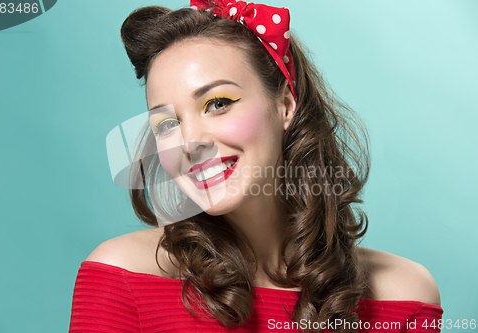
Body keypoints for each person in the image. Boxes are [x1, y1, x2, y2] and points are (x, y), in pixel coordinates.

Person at [68, 1, 442, 332]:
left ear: (286, 104)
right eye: (167, 124)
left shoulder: (405, 294)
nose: (189, 143)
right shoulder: (122, 276)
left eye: (218, 103)